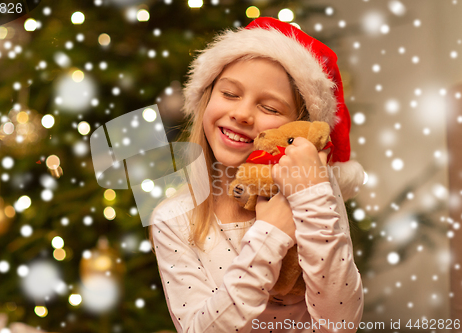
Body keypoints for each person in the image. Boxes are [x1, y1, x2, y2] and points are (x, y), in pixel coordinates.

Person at [150, 17, 365, 333]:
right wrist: (270, 234)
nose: (241, 114)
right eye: (230, 93)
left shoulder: (316, 192)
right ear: (207, 97)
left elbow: (341, 323)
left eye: (270, 108)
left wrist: (311, 196)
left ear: (298, 127)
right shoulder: (172, 219)